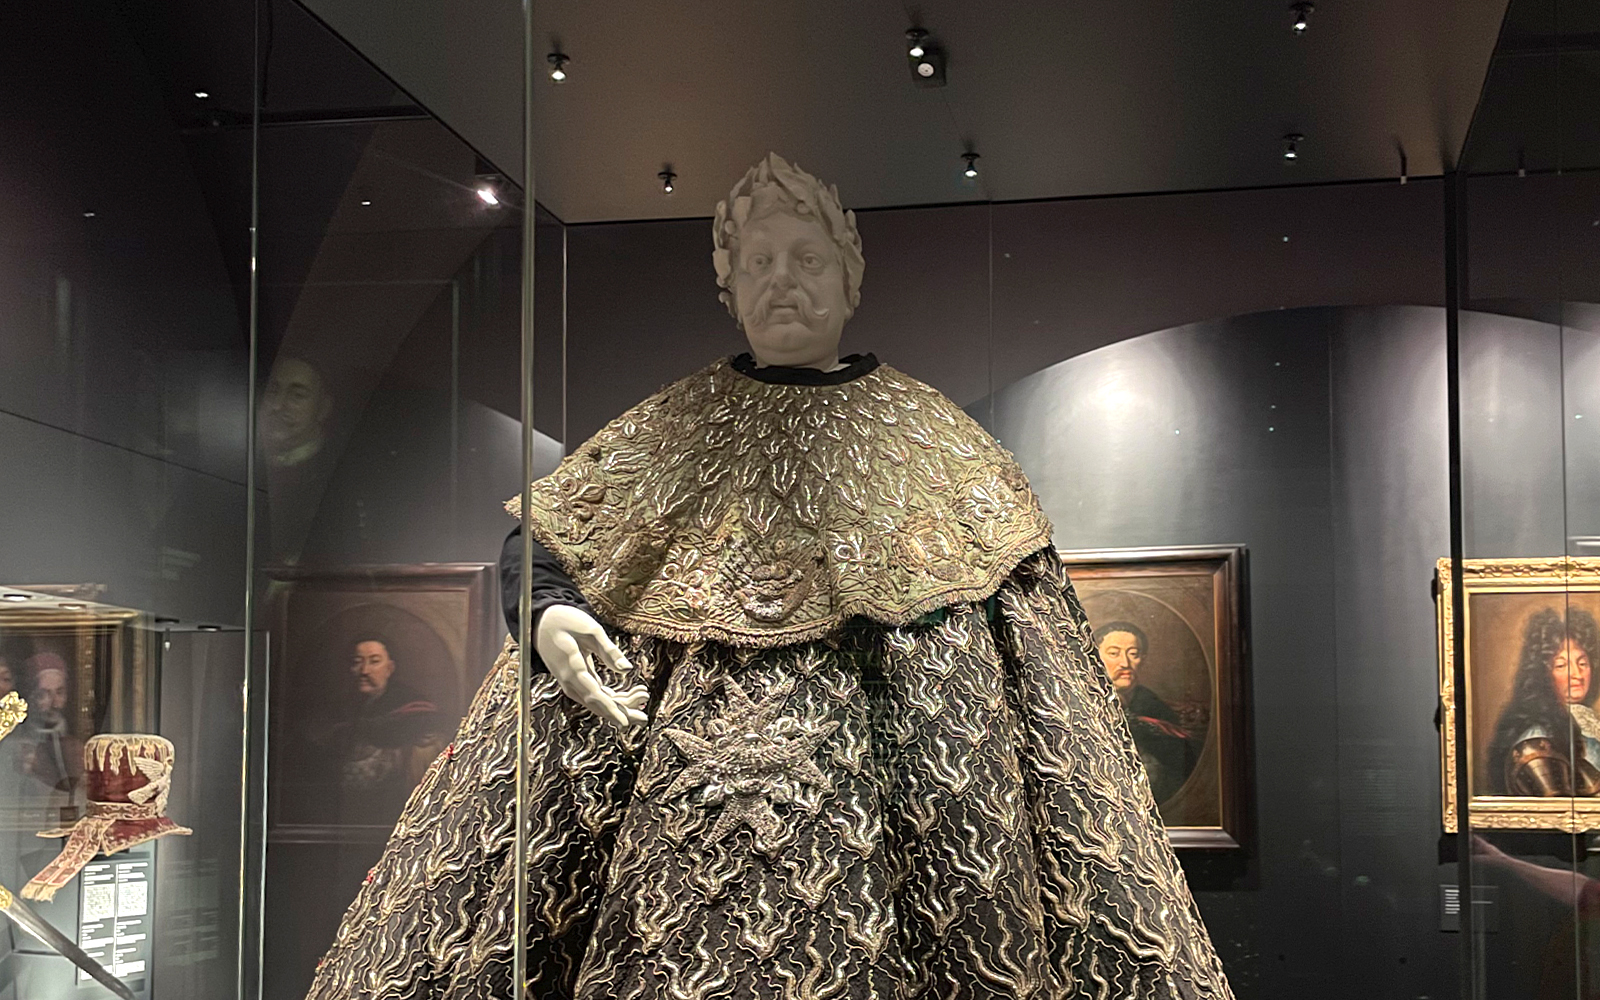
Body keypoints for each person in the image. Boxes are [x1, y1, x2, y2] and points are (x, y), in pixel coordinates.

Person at [304, 154, 1232, 1000]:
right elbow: (544, 538)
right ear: (729, 284)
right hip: (673, 808)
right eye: (759, 262)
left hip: (900, 813)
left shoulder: (934, 439)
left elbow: (1029, 612)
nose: (782, 280)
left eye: (806, 259)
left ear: (850, 274)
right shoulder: (677, 427)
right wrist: (545, 612)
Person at [317, 639, 441, 816]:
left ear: (389, 668)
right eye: (357, 662)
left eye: (374, 661)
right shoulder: (341, 708)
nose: (364, 671)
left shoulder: (414, 710)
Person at [1487, 606, 1600, 796]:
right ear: (1543, 674)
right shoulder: (1537, 738)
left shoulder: (1587, 724)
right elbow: (1557, 808)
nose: (1577, 674)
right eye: (1561, 665)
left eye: (1583, 663)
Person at [1096, 620, 1199, 804]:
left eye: (1133, 654)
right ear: (1095, 658)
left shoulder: (1158, 712)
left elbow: (1177, 773)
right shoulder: (1078, 706)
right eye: (1113, 653)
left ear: (1142, 659)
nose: (1125, 663)